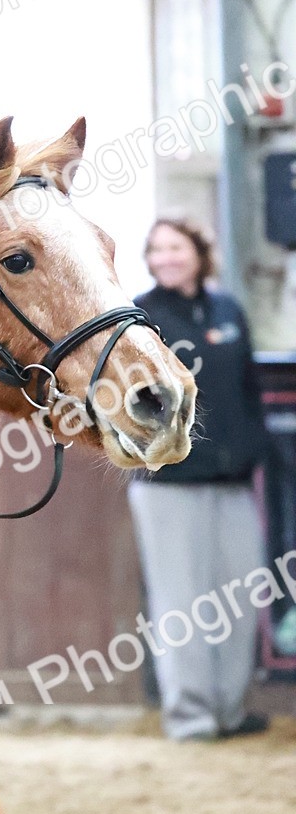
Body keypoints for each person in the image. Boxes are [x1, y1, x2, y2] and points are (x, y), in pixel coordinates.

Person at [128, 218, 268, 741]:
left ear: (199, 253)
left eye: (176, 247)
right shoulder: (139, 317)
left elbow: (249, 388)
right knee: (182, 605)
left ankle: (229, 712)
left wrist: (253, 448)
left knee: (241, 597)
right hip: (170, 486)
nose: (165, 257)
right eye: (156, 248)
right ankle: (191, 718)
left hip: (233, 482)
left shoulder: (228, 309)